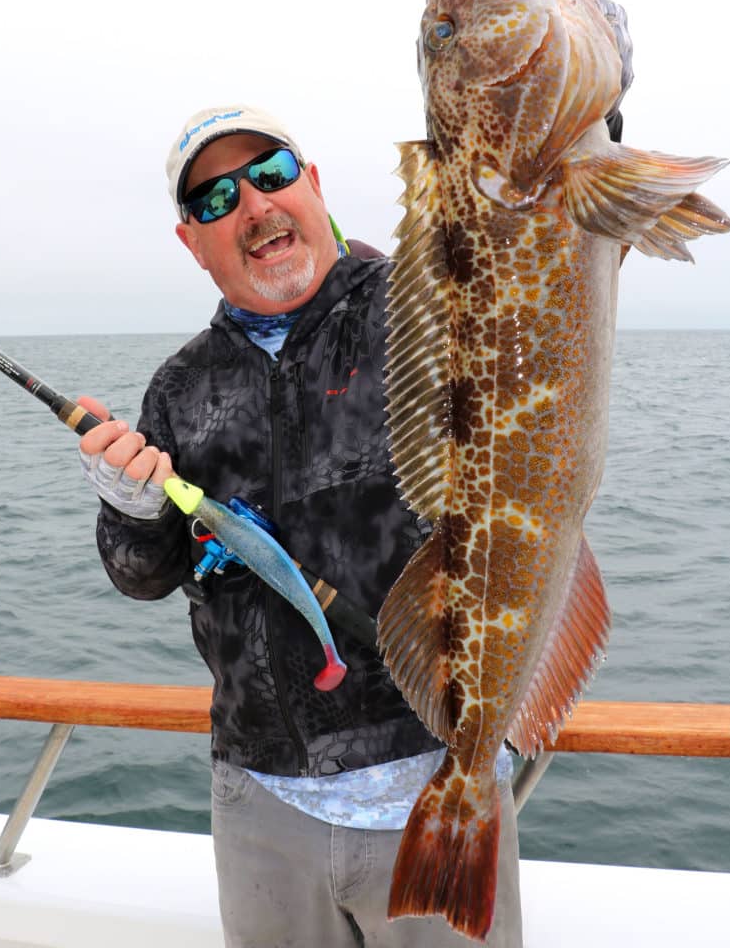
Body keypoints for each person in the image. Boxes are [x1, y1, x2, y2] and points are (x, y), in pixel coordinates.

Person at [76, 104, 523, 948]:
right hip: (260, 795)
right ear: (190, 241)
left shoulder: (429, 311)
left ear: (313, 187)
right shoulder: (180, 387)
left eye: (272, 175)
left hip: (437, 780)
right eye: (214, 200)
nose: (252, 205)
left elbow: (540, 246)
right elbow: (144, 574)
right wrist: (129, 505)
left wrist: (588, 120)